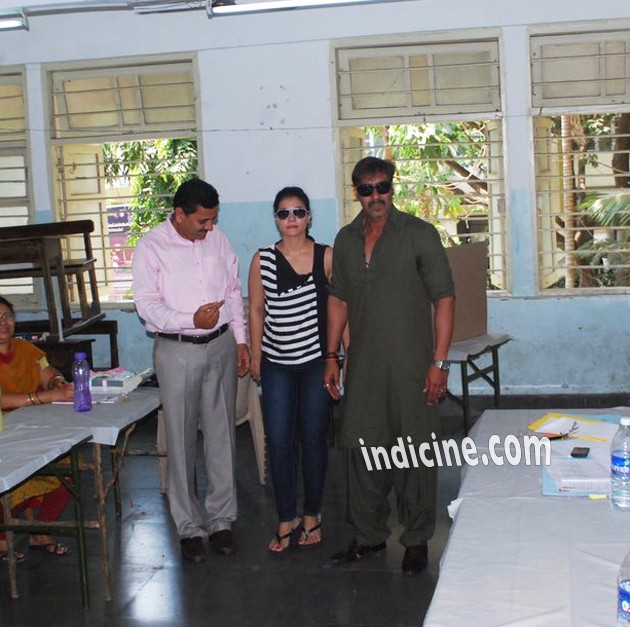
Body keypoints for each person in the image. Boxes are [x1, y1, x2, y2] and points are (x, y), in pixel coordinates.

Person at [323, 156, 455, 576]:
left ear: (392, 187)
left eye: (382, 187)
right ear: (356, 192)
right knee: (361, 450)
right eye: (367, 189)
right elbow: (339, 299)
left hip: (413, 367)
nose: (376, 196)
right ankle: (369, 536)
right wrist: (331, 356)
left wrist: (439, 361)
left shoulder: (419, 234)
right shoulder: (344, 241)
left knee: (415, 452)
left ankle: (416, 540)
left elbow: (445, 299)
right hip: (363, 368)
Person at [133, 178, 250, 563]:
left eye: (213, 220)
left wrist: (241, 339)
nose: (209, 228)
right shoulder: (151, 247)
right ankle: (188, 527)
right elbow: (148, 307)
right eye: (202, 221)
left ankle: (221, 521)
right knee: (180, 441)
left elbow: (232, 291)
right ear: (179, 215)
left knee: (222, 436)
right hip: (177, 350)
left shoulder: (218, 241)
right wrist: (190, 319)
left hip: (220, 347)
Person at [248, 186, 337, 552]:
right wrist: (256, 357)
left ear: (309, 216)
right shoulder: (263, 259)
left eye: (298, 212)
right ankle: (287, 517)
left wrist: (340, 357)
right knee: (280, 441)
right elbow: (256, 310)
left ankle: (312, 513)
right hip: (276, 365)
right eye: (284, 214)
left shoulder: (326, 256)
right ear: (275, 218)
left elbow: (338, 308)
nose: (292, 220)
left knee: (314, 439)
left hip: (316, 361)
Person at [0, 295, 75, 559]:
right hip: (3, 435)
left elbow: (48, 370)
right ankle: (1, 540)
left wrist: (56, 383)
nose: (3, 323)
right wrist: (43, 397)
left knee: (65, 469)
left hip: (33, 427)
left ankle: (41, 531)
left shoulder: (27, 350)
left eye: (7, 316)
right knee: (10, 478)